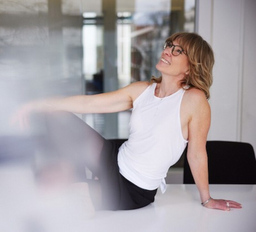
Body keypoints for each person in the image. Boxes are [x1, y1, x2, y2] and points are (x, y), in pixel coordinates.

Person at [12, 32, 242, 212]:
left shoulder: (195, 100)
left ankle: (78, 187)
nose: (167, 51)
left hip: (133, 189)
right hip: (111, 156)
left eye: (177, 50)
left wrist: (207, 198)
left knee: (53, 195)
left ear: (190, 66)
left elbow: (197, 154)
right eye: (168, 45)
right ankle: (77, 181)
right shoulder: (142, 90)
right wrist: (36, 104)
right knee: (55, 114)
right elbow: (89, 104)